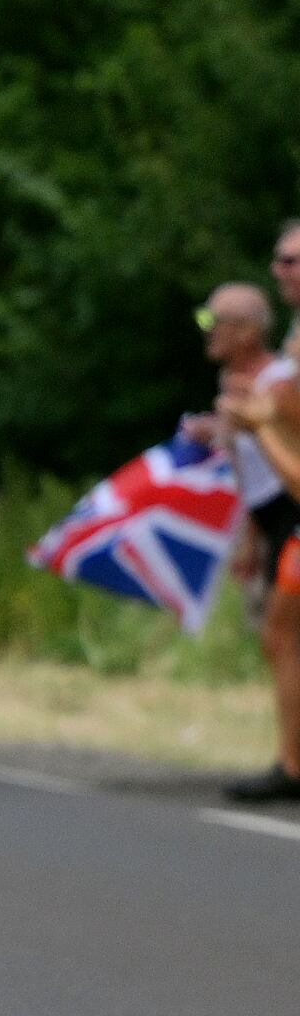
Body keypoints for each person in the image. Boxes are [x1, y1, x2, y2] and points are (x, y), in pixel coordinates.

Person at [205, 278, 300, 803]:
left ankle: (292, 763)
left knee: (282, 634)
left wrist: (262, 425)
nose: (289, 350)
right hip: (278, 519)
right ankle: (291, 760)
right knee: (279, 633)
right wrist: (251, 536)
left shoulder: (281, 386)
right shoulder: (264, 386)